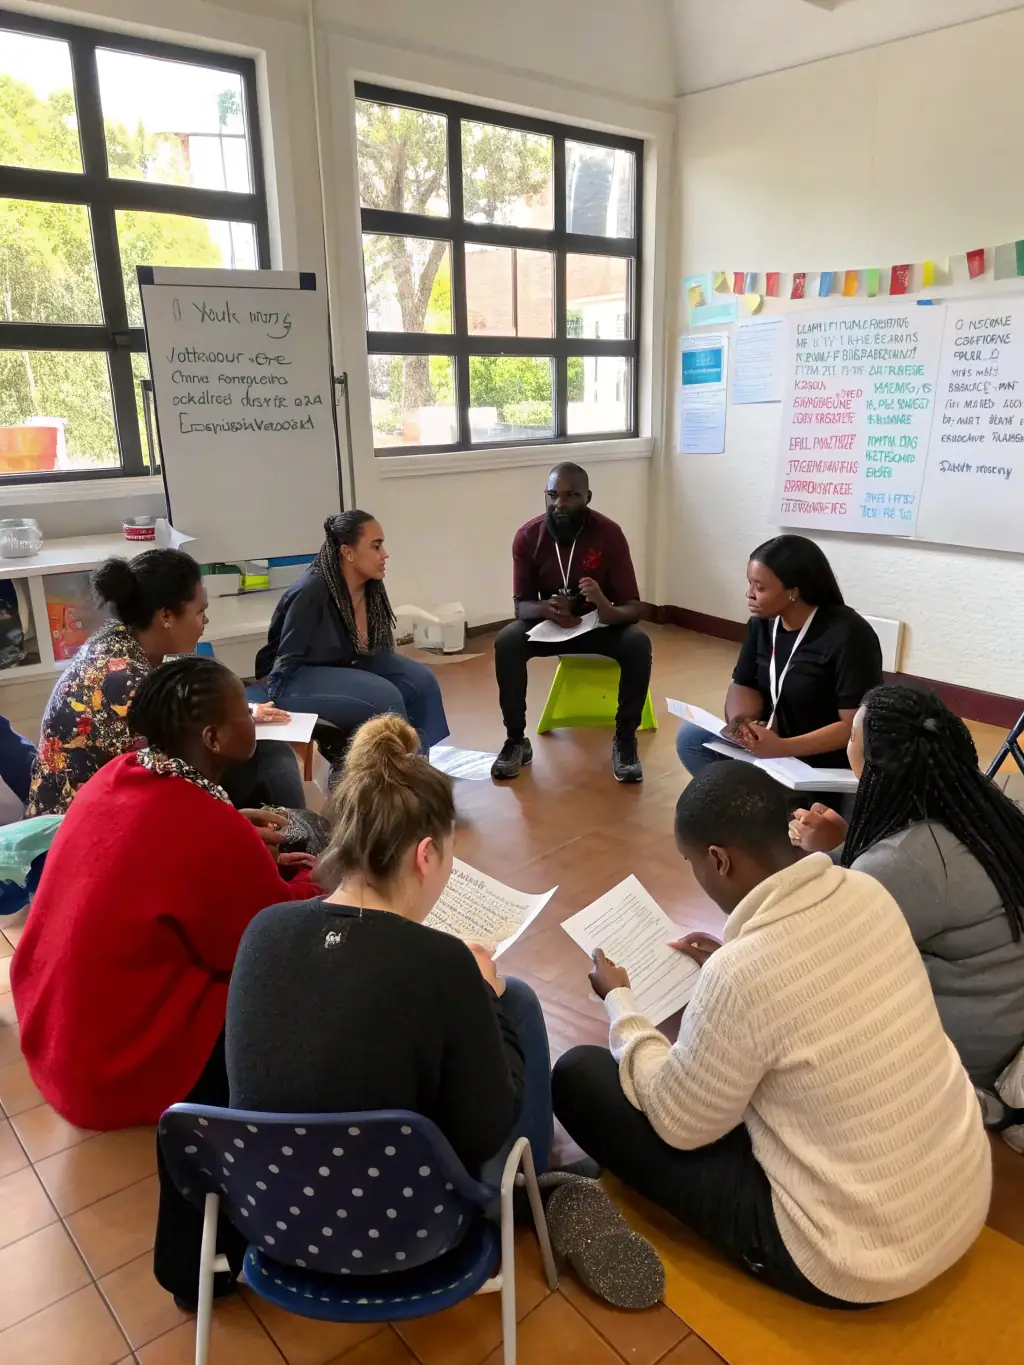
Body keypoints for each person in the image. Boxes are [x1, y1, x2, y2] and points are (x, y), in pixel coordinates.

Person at [553, 762, 990, 1309]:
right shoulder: (866, 890)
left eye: (693, 864)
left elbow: (679, 1124)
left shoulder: (741, 974)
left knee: (578, 1076)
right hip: (960, 1194)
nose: (698, 876)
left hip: (851, 1260)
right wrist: (728, 957)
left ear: (719, 859)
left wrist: (620, 1003)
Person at [10, 657, 322, 1309]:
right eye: (244, 708)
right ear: (211, 738)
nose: (254, 714)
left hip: (55, 1029)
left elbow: (177, 870)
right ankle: (238, 1228)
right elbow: (255, 940)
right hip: (110, 1066)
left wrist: (249, 850)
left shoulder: (122, 777)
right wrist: (314, 883)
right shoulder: (206, 826)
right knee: (281, 998)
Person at [227, 711, 552, 1186]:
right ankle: (526, 1189)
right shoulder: (445, 964)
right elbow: (485, 1130)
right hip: (410, 1230)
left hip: (275, 1213)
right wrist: (481, 991)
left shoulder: (263, 931)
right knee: (513, 999)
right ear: (425, 855)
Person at [789, 684, 1024, 1088]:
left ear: (876, 765)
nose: (848, 747)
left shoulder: (903, 861)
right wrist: (845, 847)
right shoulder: (985, 807)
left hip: (965, 1059)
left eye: (852, 739)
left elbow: (821, 951)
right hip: (1007, 1019)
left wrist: (822, 858)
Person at [27, 549, 303, 820]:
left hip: (82, 804)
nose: (205, 620)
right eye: (199, 611)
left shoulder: (117, 639)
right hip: (89, 825)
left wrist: (247, 711)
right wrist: (234, 828)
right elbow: (178, 779)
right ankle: (297, 844)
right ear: (166, 616)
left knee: (258, 757)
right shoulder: (128, 685)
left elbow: (184, 703)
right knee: (268, 757)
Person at [675, 535, 882, 802]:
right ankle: (762, 809)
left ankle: (766, 809)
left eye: (759, 587)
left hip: (822, 762)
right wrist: (743, 725)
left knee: (836, 832)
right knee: (691, 737)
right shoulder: (762, 624)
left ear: (794, 591)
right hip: (772, 749)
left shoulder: (849, 634)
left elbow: (854, 727)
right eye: (749, 583)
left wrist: (783, 747)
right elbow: (744, 683)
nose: (749, 594)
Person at [491, 463, 651, 784]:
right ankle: (515, 741)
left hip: (596, 626)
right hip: (550, 627)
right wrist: (547, 608)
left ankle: (624, 739)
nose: (559, 504)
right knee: (507, 641)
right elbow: (521, 606)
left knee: (637, 644)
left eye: (571, 495)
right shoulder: (527, 537)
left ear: (587, 497)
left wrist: (603, 605)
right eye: (553, 495)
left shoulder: (609, 534)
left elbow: (633, 608)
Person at [258, 512, 449, 753]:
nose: (385, 554)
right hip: (294, 676)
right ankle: (395, 775)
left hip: (348, 662)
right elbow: (286, 662)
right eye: (376, 546)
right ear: (348, 552)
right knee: (385, 699)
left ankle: (417, 763)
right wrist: (274, 698)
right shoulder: (311, 592)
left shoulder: (370, 584)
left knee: (422, 682)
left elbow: (373, 648)